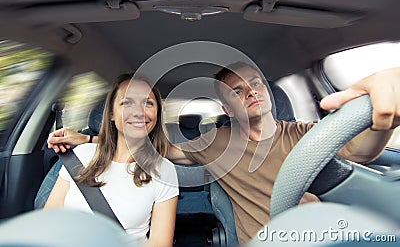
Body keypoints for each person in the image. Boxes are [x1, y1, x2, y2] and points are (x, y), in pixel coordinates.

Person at [48, 64, 400, 244]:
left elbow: (358, 152)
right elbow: (157, 148)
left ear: (267, 91)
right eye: (236, 90)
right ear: (226, 107)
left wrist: (380, 114)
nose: (249, 92)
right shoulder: (215, 141)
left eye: (255, 84)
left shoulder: (309, 135)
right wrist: (90, 137)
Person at [45, 73, 179, 247]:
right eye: (127, 102)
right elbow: (49, 219)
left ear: (157, 114)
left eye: (148, 103)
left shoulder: (164, 171)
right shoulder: (81, 155)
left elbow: (159, 243)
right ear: (111, 114)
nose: (138, 112)